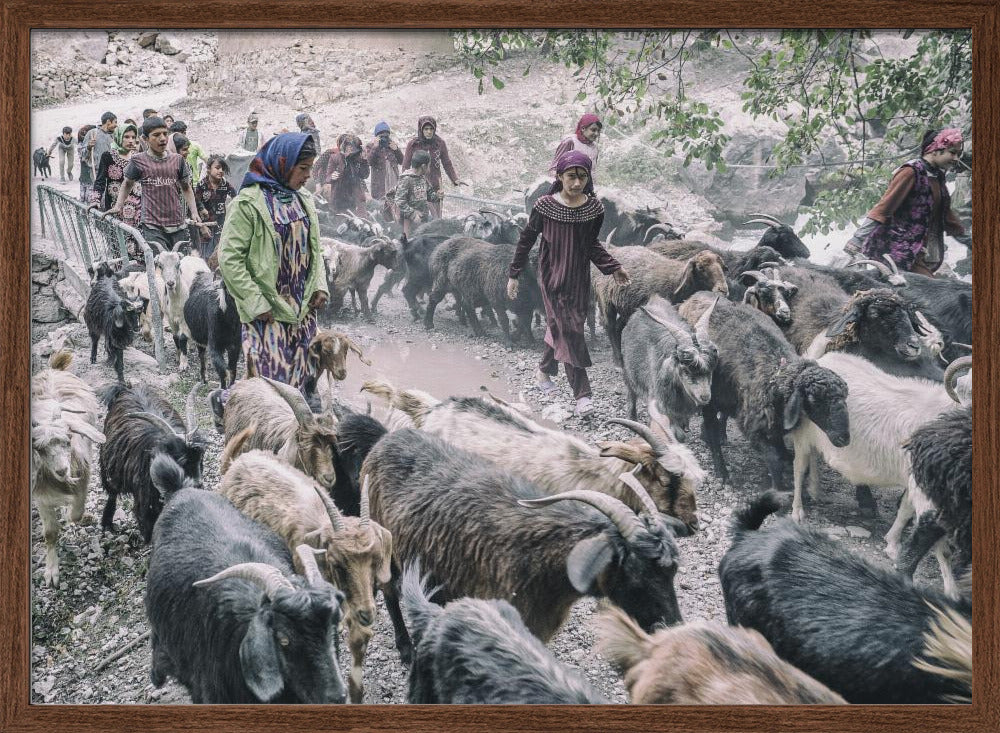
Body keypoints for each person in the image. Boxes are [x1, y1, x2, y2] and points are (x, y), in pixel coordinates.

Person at [507, 150, 629, 418]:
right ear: (560, 176)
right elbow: (526, 240)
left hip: (578, 280)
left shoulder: (594, 208)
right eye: (571, 177)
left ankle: (543, 371)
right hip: (551, 278)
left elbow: (591, 246)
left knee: (563, 327)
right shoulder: (544, 206)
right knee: (571, 332)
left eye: (582, 177)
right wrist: (514, 274)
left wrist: (613, 268)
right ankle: (583, 395)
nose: (576, 183)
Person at [216, 132, 329, 401]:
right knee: (270, 386)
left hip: (302, 310)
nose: (308, 176)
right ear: (282, 164)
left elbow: (315, 248)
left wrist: (320, 286)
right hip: (267, 311)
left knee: (303, 379)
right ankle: (227, 403)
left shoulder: (304, 200)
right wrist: (256, 302)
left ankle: (292, 438)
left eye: (311, 168)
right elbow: (229, 258)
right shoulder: (249, 203)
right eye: (303, 169)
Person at [846, 128, 966, 276]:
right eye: (952, 152)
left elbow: (947, 217)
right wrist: (857, 240)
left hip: (916, 252)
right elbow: (884, 207)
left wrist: (970, 242)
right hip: (894, 251)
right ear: (934, 150)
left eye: (958, 154)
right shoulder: (910, 171)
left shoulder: (938, 177)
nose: (956, 158)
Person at [104, 116, 208, 253]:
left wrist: (194, 211)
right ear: (145, 139)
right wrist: (118, 205)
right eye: (156, 135)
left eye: (165, 133)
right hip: (152, 226)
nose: (163, 138)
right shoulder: (138, 161)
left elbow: (186, 187)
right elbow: (127, 183)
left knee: (181, 264)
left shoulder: (177, 160)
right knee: (160, 265)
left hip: (177, 224)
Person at [402, 116, 464, 218]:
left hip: (435, 186)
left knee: (436, 217)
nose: (429, 132)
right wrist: (406, 183)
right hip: (418, 186)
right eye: (426, 129)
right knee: (421, 217)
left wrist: (455, 179)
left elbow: (446, 163)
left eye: (431, 129)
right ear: (421, 130)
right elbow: (405, 166)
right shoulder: (413, 144)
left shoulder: (439, 143)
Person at [90, 122, 142, 233]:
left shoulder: (138, 157)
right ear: (118, 137)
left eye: (133, 137)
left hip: (137, 208)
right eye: (126, 137)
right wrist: (95, 200)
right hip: (115, 207)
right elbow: (100, 181)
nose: (131, 140)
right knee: (118, 240)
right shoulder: (108, 156)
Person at [194, 154, 235, 260]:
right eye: (217, 168)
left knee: (220, 255)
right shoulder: (201, 185)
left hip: (221, 227)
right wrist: (202, 226)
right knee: (205, 256)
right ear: (208, 169)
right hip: (205, 227)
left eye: (223, 168)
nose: (221, 171)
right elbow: (195, 206)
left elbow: (237, 200)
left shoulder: (226, 185)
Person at [321, 134, 370, 217]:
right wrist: (332, 177)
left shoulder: (357, 159)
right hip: (339, 197)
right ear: (344, 147)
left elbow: (364, 175)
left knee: (359, 222)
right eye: (349, 147)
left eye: (352, 148)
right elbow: (328, 177)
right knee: (341, 221)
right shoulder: (334, 158)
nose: (350, 150)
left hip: (355, 197)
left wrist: (364, 161)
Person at [364, 120, 403, 223]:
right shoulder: (370, 146)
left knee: (395, 204)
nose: (384, 138)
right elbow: (369, 162)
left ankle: (396, 224)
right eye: (381, 135)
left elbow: (402, 160)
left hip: (393, 181)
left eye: (386, 135)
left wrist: (396, 149)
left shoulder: (392, 145)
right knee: (381, 207)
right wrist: (375, 147)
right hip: (380, 184)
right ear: (376, 136)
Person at [394, 150, 439, 237]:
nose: (429, 169)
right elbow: (399, 201)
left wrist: (437, 196)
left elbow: (429, 195)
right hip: (410, 222)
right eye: (428, 166)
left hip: (423, 221)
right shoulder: (406, 179)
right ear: (423, 166)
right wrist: (413, 214)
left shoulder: (422, 178)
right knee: (410, 245)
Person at [76, 124, 96, 202]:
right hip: (86, 177)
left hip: (88, 178)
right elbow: (83, 157)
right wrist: (89, 147)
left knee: (88, 200)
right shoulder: (81, 146)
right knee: (84, 199)